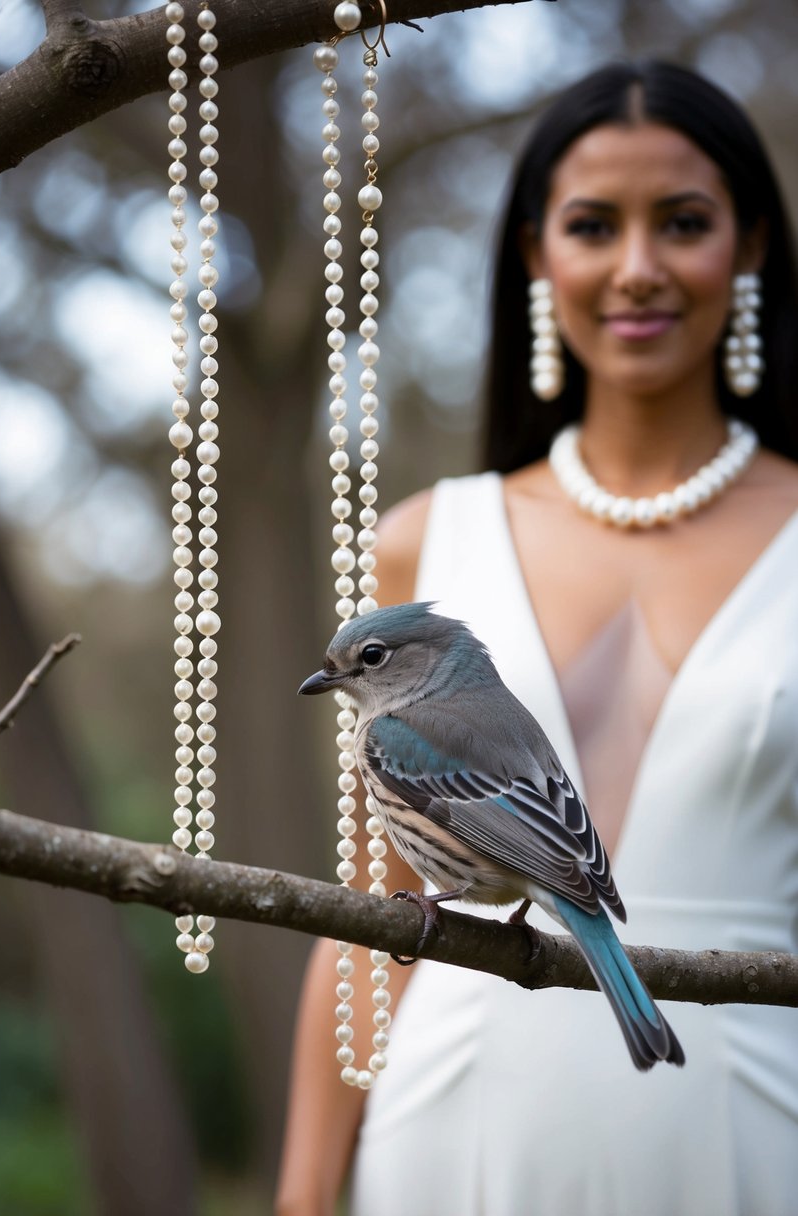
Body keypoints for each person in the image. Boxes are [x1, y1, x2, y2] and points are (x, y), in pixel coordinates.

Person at [276, 59, 798, 1216]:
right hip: (451, 1132)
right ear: (531, 253)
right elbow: (364, 916)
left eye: (684, 221)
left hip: (749, 1126)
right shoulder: (424, 539)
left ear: (751, 244)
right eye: (590, 223)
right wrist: (304, 1195)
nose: (636, 266)